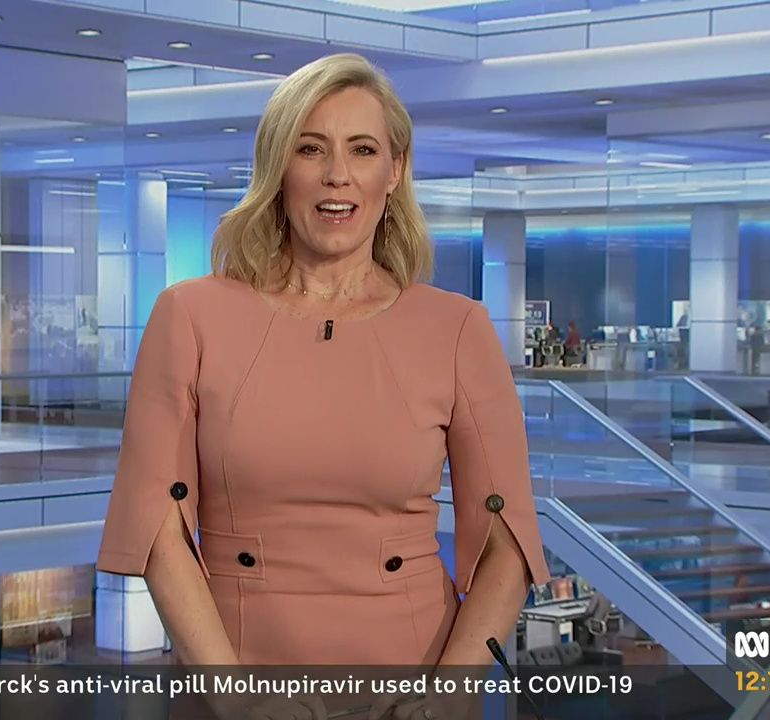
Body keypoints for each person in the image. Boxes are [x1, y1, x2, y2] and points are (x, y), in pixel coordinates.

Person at [96, 53, 548, 720]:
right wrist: (235, 701)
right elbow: (158, 529)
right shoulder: (189, 317)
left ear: (394, 171)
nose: (338, 174)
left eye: (362, 150)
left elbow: (506, 543)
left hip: (410, 691)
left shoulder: (458, 329)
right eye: (311, 148)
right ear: (278, 167)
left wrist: (449, 696)